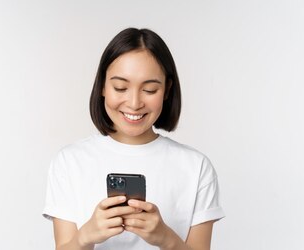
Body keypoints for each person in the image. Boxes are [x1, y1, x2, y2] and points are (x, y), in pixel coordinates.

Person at [43, 27, 225, 250]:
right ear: (102, 85)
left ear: (167, 90)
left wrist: (165, 237)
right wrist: (86, 236)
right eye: (120, 87)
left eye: (149, 90)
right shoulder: (69, 162)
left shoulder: (196, 167)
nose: (134, 102)